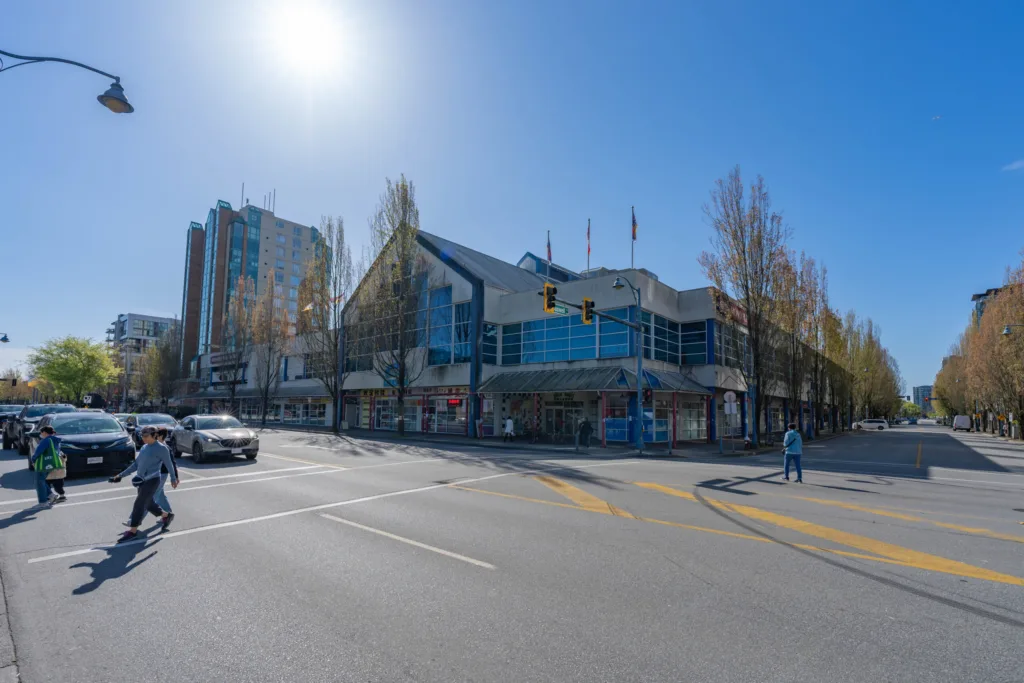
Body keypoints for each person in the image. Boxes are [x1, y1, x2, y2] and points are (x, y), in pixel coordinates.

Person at [110, 425, 178, 542]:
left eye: (146, 436)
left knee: (139, 504)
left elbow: (169, 464)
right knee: (148, 504)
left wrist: (173, 478)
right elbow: (136, 465)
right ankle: (166, 515)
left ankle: (133, 531)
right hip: (141, 481)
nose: (143, 438)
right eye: (142, 436)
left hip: (153, 480)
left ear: (154, 435)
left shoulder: (162, 448)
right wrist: (120, 475)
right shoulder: (144, 447)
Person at [150, 426, 178, 529]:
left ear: (161, 436)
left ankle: (134, 522)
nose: (154, 437)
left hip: (162, 474)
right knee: (160, 495)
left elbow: (172, 463)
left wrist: (175, 477)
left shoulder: (166, 448)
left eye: (156, 435)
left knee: (150, 499)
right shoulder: (155, 446)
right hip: (155, 474)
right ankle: (168, 513)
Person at [30, 425, 64, 506]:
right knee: (41, 481)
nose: (40, 434)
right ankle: (51, 495)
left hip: (44, 463)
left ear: (44, 432)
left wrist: (33, 459)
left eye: (41, 433)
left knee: (39, 482)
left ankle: (43, 501)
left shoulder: (46, 441)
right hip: (52, 463)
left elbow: (38, 451)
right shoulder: (56, 440)